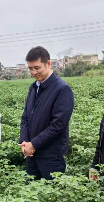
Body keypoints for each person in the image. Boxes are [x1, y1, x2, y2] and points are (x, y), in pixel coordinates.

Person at [19, 46, 74, 180]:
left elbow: (58, 125)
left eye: (37, 68)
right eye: (30, 68)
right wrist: (25, 142)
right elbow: (26, 116)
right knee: (32, 194)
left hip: (51, 155)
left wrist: (34, 144)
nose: (33, 72)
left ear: (48, 64)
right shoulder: (33, 87)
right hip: (31, 154)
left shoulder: (62, 89)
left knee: (53, 196)